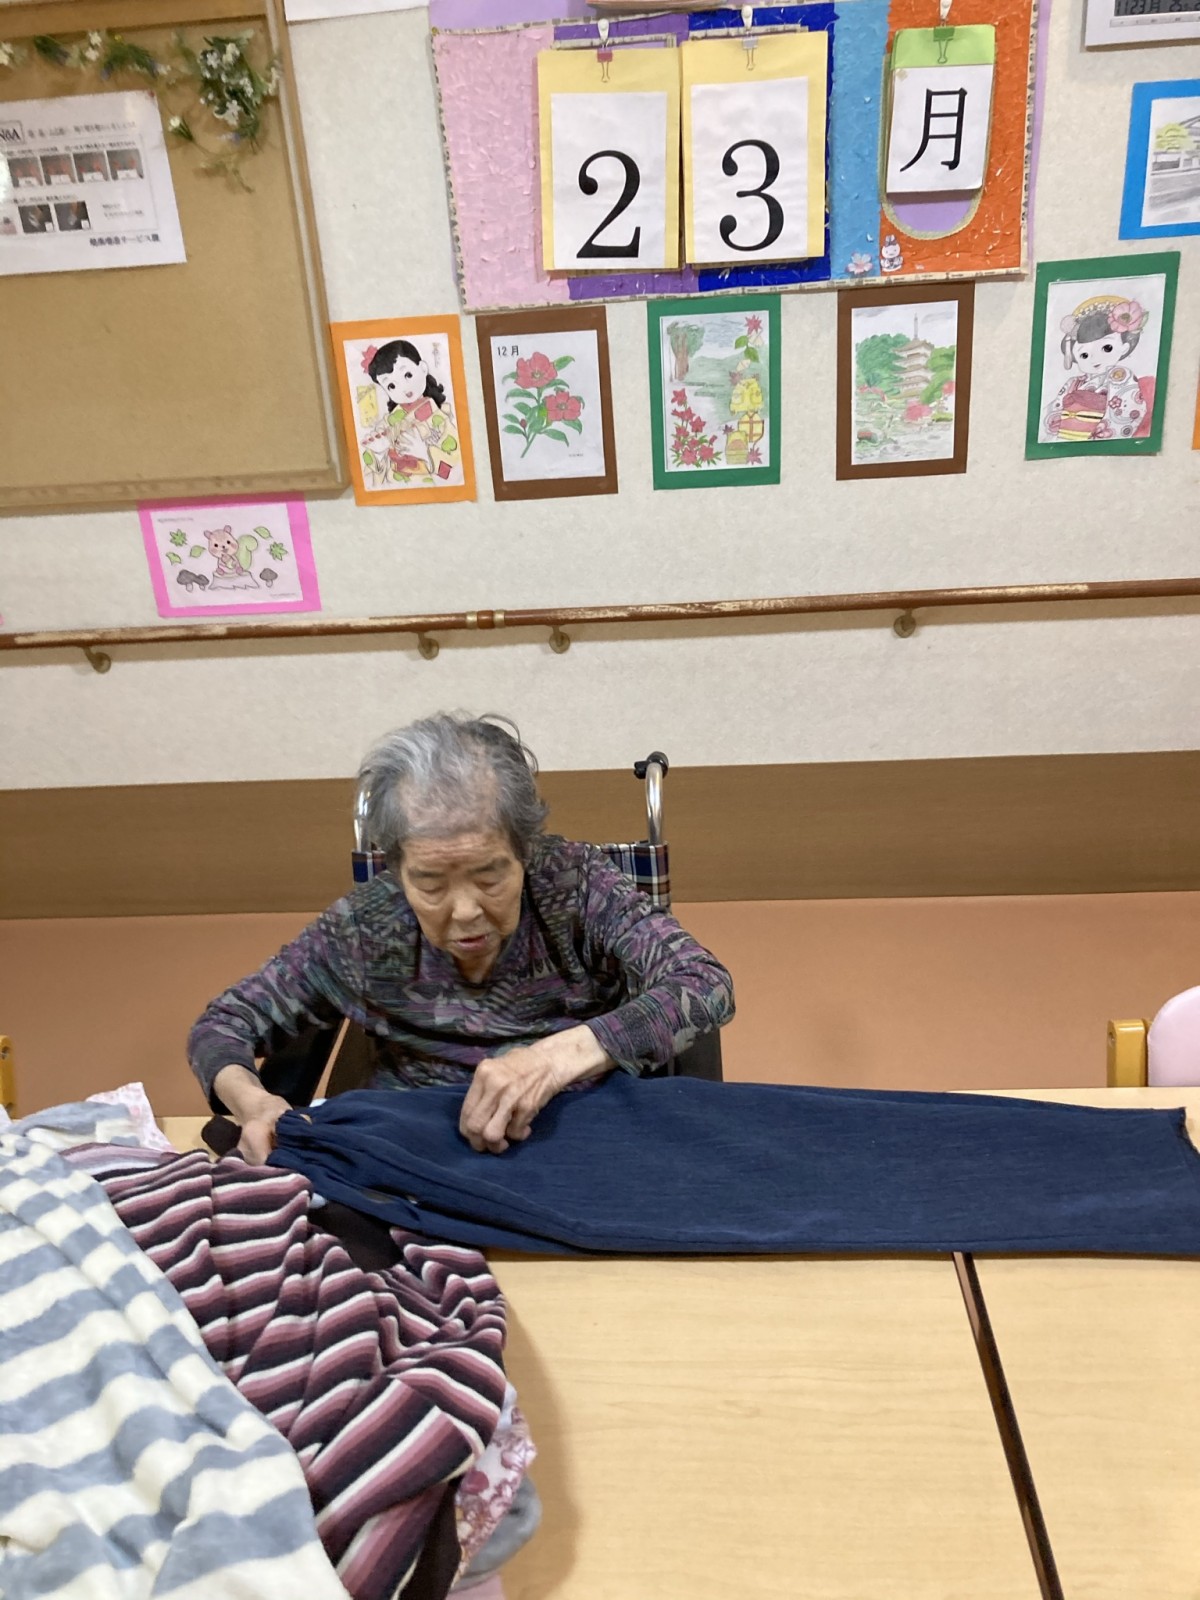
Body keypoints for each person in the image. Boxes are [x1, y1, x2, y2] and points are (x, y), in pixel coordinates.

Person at [188, 714, 734, 1161]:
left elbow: (704, 983)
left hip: (582, 1143)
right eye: (430, 883)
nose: (466, 912)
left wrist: (550, 1060)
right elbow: (222, 1025)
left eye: (490, 877)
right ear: (397, 868)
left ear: (525, 850)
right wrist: (254, 1102)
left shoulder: (575, 883)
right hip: (415, 1155)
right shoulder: (364, 925)